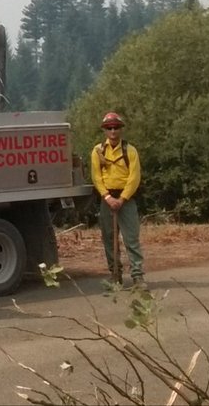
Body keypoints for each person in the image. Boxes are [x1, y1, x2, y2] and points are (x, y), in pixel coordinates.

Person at [90, 112, 145, 288]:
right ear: (105, 130)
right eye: (109, 128)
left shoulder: (130, 151)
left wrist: (121, 199)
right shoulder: (98, 151)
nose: (113, 131)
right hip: (107, 199)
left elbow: (134, 177)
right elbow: (96, 176)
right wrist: (107, 197)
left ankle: (137, 276)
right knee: (108, 238)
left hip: (126, 199)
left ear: (121, 129)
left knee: (131, 238)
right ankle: (115, 275)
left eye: (116, 128)